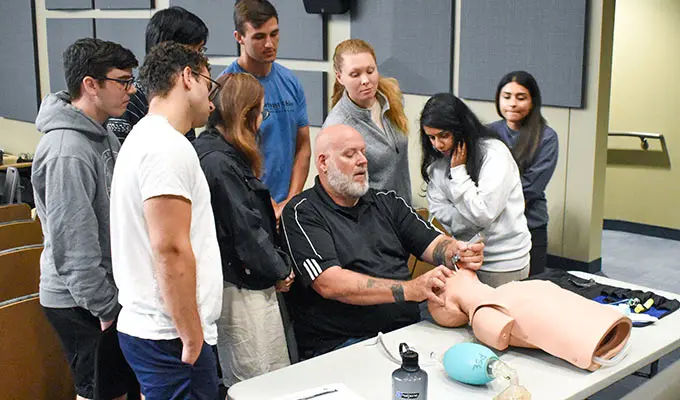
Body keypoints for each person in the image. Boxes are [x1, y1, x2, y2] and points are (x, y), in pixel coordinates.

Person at [280, 124, 485, 360]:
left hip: (408, 331)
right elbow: (329, 283)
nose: (362, 161)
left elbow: (434, 244)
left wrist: (456, 251)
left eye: (363, 152)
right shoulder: (302, 213)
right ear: (324, 163)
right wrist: (409, 290)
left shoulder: (387, 202)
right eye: (350, 154)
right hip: (342, 343)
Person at [110, 42, 223, 400]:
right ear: (188, 77)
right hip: (170, 334)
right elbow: (170, 248)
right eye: (210, 84)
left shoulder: (145, 137)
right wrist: (191, 335)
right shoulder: (166, 147)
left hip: (160, 330)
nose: (213, 99)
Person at [32, 38, 138, 400]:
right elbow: (73, 247)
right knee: (100, 394)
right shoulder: (67, 151)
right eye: (122, 81)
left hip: (102, 293)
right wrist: (106, 307)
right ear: (91, 84)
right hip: (80, 301)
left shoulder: (104, 132)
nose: (132, 89)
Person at [193, 73, 294, 387]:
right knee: (259, 378)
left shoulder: (214, 151)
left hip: (238, 279)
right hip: (240, 286)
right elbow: (245, 231)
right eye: (260, 113)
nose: (261, 122)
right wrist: (281, 269)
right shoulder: (220, 163)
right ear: (246, 115)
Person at [421, 93, 532, 288]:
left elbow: (483, 214)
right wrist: (472, 217)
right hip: (464, 258)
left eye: (444, 135)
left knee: (499, 316)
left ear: (460, 129)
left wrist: (458, 172)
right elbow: (440, 213)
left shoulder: (494, 154)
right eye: (431, 137)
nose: (438, 145)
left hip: (503, 263)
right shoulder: (436, 165)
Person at [220, 0, 311, 221]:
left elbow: (303, 146)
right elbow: (228, 159)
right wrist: (267, 204)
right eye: (259, 37)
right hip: (249, 207)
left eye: (274, 34)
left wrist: (291, 199)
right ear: (239, 37)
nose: (269, 44)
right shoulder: (228, 86)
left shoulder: (290, 81)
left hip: (287, 205)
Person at [488, 71, 558, 277]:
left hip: (530, 224)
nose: (512, 103)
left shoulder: (547, 137)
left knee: (530, 288)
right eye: (506, 96)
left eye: (521, 97)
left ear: (533, 101)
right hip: (493, 227)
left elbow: (532, 187)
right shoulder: (487, 132)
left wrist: (491, 202)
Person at [324, 38, 412, 203]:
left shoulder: (392, 97)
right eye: (355, 74)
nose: (365, 80)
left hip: (403, 212)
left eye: (370, 71)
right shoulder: (337, 126)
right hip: (372, 219)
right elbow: (339, 192)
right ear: (339, 77)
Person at [106, 6, 209, 144]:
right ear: (168, 49)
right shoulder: (131, 100)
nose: (199, 59)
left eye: (201, 50)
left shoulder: (181, 99)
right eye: (195, 50)